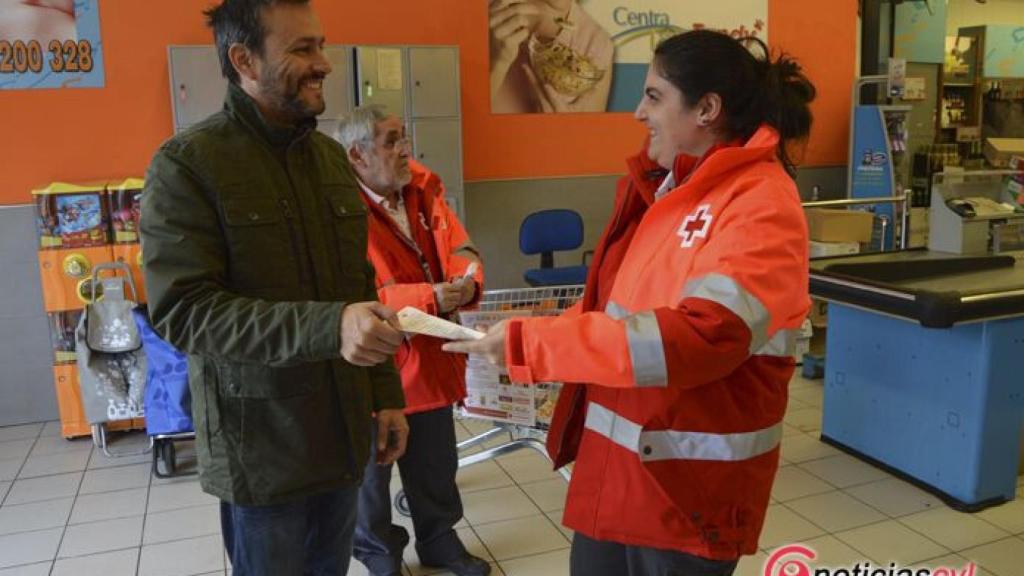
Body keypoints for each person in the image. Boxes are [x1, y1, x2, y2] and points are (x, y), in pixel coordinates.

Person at [446, 29, 815, 576]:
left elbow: (703, 337)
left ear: (707, 109)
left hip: (686, 489)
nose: (639, 112)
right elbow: (617, 311)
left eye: (654, 96)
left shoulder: (760, 202)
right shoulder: (669, 193)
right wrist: (528, 335)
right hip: (618, 474)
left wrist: (538, 345)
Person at [139, 1, 409, 575]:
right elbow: (184, 310)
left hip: (341, 438)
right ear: (244, 60)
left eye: (322, 45)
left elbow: (359, 286)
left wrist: (384, 394)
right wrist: (329, 327)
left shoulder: (333, 162)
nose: (325, 64)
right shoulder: (189, 165)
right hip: (261, 452)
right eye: (302, 49)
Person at [333, 106, 490, 576]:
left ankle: (440, 542)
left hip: (432, 361)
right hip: (375, 366)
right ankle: (381, 555)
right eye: (391, 141)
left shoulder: (425, 191)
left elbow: (462, 248)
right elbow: (353, 299)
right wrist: (429, 297)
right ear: (358, 156)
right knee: (371, 478)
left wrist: (468, 282)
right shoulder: (339, 209)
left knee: (436, 467)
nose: (405, 149)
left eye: (404, 137)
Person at [489, 0, 613, 113]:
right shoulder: (482, 11)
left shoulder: (597, 44)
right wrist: (496, 65)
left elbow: (588, 134)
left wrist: (566, 130)